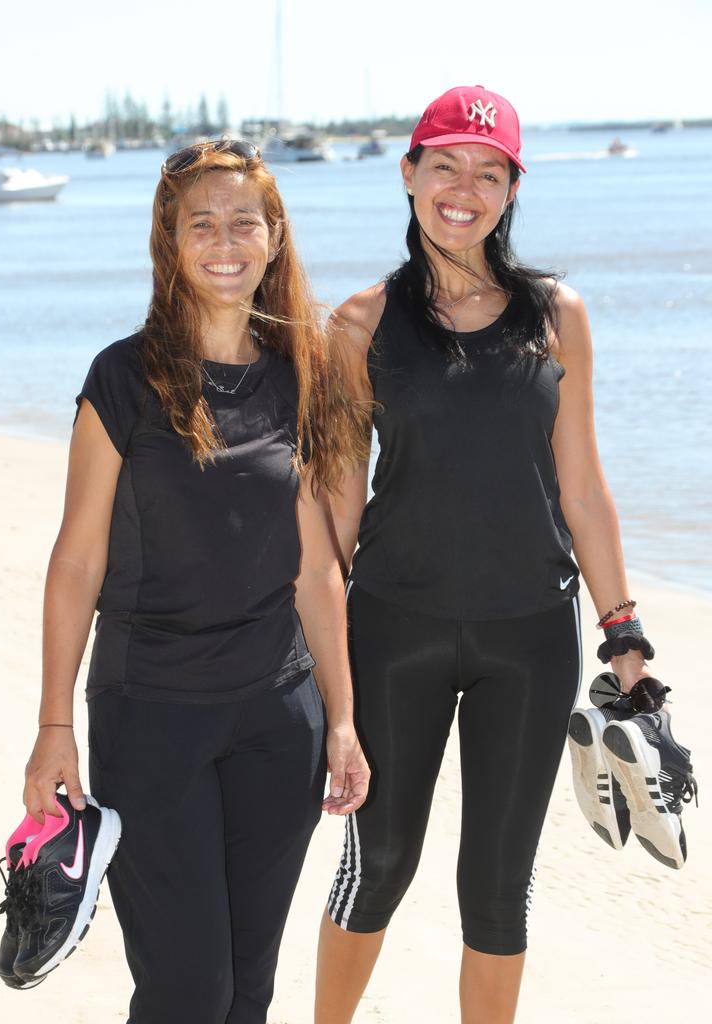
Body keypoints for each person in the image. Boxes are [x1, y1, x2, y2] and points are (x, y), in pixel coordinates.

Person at [314, 86, 655, 1024]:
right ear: (410, 173)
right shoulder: (357, 326)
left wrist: (622, 629)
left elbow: (580, 485)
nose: (464, 188)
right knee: (376, 863)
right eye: (445, 165)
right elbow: (336, 507)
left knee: (498, 888)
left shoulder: (557, 315)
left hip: (530, 639)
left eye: (489, 170)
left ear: (512, 188)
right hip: (392, 628)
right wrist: (310, 648)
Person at [21, 139, 371, 1024]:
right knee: (188, 993)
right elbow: (77, 561)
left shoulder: (301, 372)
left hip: (276, 722)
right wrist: (54, 724)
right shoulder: (123, 377)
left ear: (274, 235)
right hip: (153, 719)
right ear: (167, 240)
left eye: (243, 222)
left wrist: (341, 718)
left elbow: (316, 569)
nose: (225, 241)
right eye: (200, 223)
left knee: (248, 992)